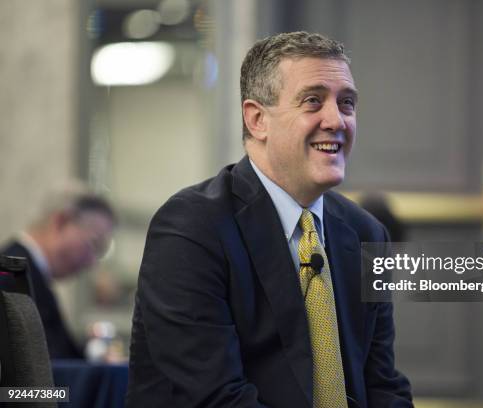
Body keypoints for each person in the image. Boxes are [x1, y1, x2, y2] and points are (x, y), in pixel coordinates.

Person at [127, 31, 413, 407]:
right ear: (257, 119)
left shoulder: (365, 233)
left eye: (347, 103)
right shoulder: (190, 228)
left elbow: (382, 386)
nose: (337, 120)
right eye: (313, 101)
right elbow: (216, 398)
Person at [0, 182, 115, 359]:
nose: (92, 261)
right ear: (61, 222)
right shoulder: (10, 275)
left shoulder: (27, 274)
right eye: (93, 244)